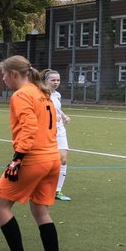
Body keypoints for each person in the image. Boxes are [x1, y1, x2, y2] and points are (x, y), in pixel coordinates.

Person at [0, 55, 65, 251]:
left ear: (14, 74)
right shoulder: (41, 92)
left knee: (0, 205)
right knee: (40, 210)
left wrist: (17, 158)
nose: (3, 78)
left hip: (34, 159)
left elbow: (30, 128)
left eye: (4, 74)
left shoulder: (22, 94)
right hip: (51, 158)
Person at [44, 70, 72, 201]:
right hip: (45, 130)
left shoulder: (57, 95)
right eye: (53, 80)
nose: (56, 83)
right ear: (46, 81)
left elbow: (57, 109)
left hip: (59, 130)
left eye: (58, 80)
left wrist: (63, 116)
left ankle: (57, 191)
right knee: (43, 160)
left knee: (63, 159)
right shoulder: (41, 95)